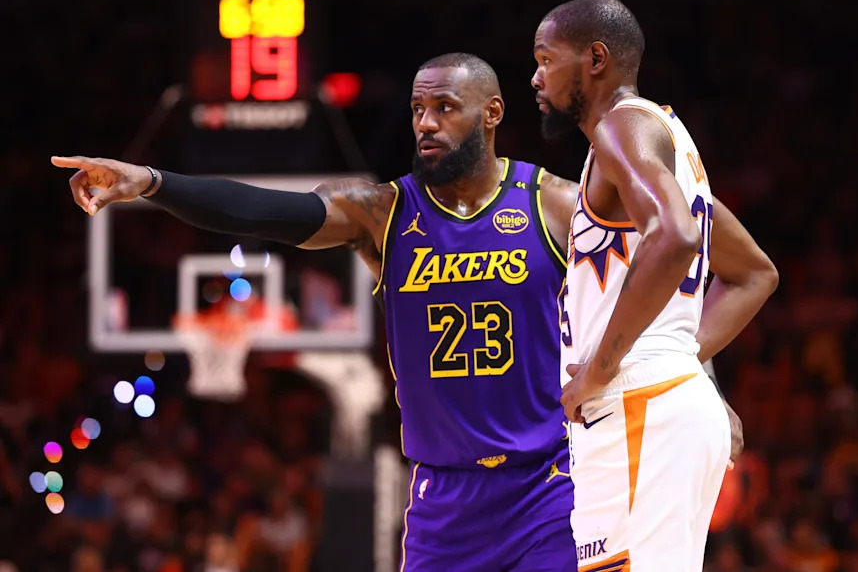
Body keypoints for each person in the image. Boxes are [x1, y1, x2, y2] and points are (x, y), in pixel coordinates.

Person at [53, 53, 580, 571]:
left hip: (544, 487)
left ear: (492, 112)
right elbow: (263, 210)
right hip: (442, 495)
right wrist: (152, 181)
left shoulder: (551, 203)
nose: (426, 123)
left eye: (445, 107)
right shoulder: (385, 213)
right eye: (418, 109)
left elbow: (649, 266)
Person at [531, 0, 779, 570]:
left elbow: (675, 237)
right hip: (653, 400)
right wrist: (679, 364)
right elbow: (752, 273)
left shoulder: (621, 127)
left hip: (638, 407)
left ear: (595, 59)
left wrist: (601, 367)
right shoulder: (662, 139)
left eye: (546, 59)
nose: (536, 76)